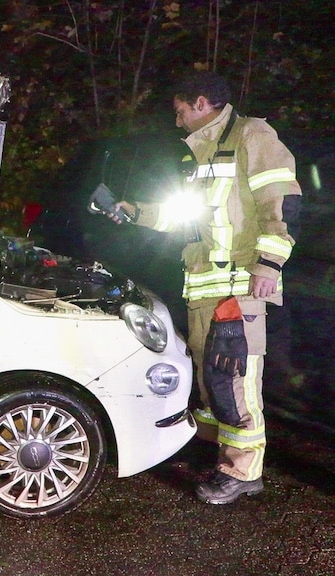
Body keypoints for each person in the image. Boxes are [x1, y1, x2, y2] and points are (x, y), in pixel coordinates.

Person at [108, 71, 301, 504]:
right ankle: (218, 457)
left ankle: (242, 471)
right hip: (204, 287)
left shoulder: (252, 135)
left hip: (239, 285)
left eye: (180, 112)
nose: (177, 122)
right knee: (211, 379)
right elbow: (187, 219)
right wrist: (136, 212)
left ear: (200, 103)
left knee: (234, 381)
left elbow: (282, 204)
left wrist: (268, 264)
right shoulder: (201, 152)